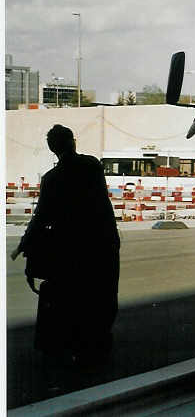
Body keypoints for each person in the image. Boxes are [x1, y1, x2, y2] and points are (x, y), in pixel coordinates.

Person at [11, 124, 120, 366]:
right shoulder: (92, 166)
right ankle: (97, 343)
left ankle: (73, 344)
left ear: (52, 148)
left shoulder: (52, 179)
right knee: (103, 294)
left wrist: (23, 244)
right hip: (102, 243)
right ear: (73, 142)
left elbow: (41, 217)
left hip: (70, 247)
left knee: (71, 296)